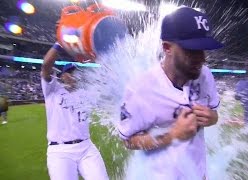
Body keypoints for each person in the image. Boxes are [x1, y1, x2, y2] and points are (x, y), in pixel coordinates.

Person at [117, 7, 222, 179]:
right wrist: (172, 135)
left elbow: (214, 114)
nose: (202, 58)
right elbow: (128, 140)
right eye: (192, 50)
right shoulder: (140, 89)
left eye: (203, 49)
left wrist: (212, 117)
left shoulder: (205, 75)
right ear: (167, 47)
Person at [41, 43, 109, 180]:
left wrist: (95, 54)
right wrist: (59, 43)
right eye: (69, 73)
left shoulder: (85, 93)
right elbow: (46, 66)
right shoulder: (52, 90)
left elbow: (106, 79)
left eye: (75, 72)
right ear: (61, 76)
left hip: (86, 147)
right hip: (60, 151)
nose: (73, 76)